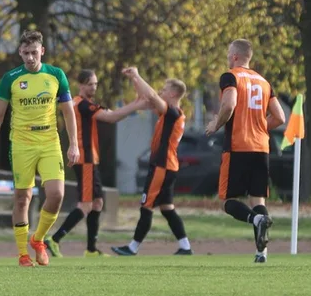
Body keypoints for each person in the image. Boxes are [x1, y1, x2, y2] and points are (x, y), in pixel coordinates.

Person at [0, 30, 80, 267]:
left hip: (49, 141)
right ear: (20, 53)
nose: (30, 58)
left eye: (34, 52)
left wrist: (74, 144)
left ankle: (38, 239)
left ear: (42, 51)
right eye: (25, 53)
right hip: (22, 143)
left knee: (57, 194)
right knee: (23, 198)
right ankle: (23, 253)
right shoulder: (10, 78)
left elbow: (68, 112)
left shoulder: (56, 75)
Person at [44, 69, 143, 258]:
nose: (94, 87)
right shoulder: (82, 105)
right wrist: (137, 105)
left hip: (90, 158)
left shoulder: (80, 103)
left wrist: (136, 104)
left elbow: (109, 114)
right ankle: (54, 239)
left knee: (98, 202)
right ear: (81, 85)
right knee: (86, 204)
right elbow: (111, 117)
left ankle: (91, 249)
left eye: (96, 84)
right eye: (90, 84)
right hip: (86, 158)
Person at [204, 39, 285, 263]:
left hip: (238, 145)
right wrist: (258, 126)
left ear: (236, 56)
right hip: (261, 147)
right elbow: (279, 117)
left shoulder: (230, 76)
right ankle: (262, 253)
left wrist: (215, 125)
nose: (228, 57)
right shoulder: (264, 82)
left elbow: (229, 105)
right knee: (258, 201)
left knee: (229, 201)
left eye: (229, 53)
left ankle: (256, 221)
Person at [111, 68, 192, 257]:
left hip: (162, 166)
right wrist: (134, 80)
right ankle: (185, 246)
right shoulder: (171, 114)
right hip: (168, 166)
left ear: (173, 94)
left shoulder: (172, 112)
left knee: (146, 206)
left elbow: (152, 95)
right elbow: (146, 97)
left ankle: (132, 247)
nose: (162, 92)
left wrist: (137, 75)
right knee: (167, 208)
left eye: (165, 89)